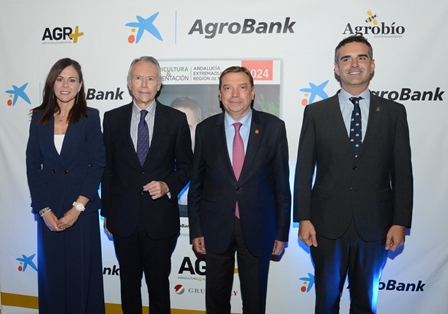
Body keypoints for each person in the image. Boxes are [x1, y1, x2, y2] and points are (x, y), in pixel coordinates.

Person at [294, 35, 413, 313]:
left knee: (365, 304)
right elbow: (303, 170)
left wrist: (400, 222)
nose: (354, 64)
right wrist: (303, 217)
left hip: (376, 226)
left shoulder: (394, 113)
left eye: (361, 58)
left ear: (372, 66)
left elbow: (403, 172)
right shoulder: (315, 113)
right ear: (336, 68)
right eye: (346, 59)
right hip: (325, 226)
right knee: (326, 302)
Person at [188, 66, 291, 314]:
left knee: (254, 303)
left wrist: (281, 232)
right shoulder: (204, 130)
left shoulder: (274, 128)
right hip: (215, 228)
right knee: (216, 301)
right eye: (227, 88)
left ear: (252, 92)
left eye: (242, 87)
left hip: (259, 227)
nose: (235, 94)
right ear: (220, 95)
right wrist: (197, 229)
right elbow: (197, 185)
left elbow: (282, 185)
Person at [101, 56, 193, 314]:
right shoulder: (112, 119)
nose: (144, 84)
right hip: (123, 219)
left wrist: (167, 185)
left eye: (150, 78)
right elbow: (107, 170)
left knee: (159, 290)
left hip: (160, 220)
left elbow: (188, 166)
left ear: (159, 84)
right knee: (128, 288)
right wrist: (107, 213)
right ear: (129, 84)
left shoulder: (175, 120)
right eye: (138, 78)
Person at [26, 58, 106, 314]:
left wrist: (78, 207)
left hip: (81, 211)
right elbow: (32, 167)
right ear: (52, 83)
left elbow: (98, 164)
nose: (65, 85)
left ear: (80, 86)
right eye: (60, 79)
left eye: (72, 80)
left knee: (82, 277)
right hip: (49, 211)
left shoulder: (90, 117)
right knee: (53, 278)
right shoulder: (39, 118)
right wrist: (43, 210)